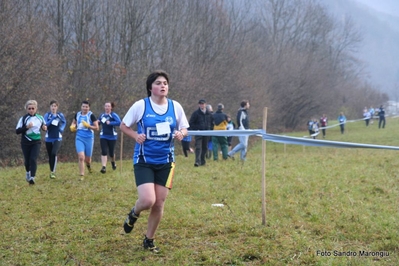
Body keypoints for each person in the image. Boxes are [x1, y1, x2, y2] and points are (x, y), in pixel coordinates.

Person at [120, 70, 189, 252]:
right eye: (158, 83)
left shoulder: (175, 107)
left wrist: (181, 134)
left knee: (159, 203)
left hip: (166, 161)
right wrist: (135, 135)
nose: (162, 86)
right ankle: (134, 213)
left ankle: (149, 239)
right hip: (144, 160)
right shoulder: (141, 106)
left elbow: (184, 128)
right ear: (150, 87)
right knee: (147, 200)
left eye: (165, 83)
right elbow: (124, 125)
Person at [16, 100, 47, 185]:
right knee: (27, 161)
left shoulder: (40, 117)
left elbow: (44, 126)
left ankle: (32, 177)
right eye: (29, 108)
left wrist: (44, 128)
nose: (31, 110)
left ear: (36, 109)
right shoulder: (23, 119)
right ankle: (28, 172)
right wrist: (26, 127)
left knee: (33, 159)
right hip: (25, 142)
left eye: (33, 108)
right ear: (26, 109)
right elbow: (17, 131)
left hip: (36, 142)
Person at [70, 100, 99, 178]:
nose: (85, 108)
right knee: (81, 157)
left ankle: (89, 166)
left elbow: (97, 128)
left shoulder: (91, 115)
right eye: (83, 106)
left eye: (86, 107)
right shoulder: (77, 114)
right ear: (81, 107)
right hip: (79, 138)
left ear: (89, 108)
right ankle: (82, 174)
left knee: (87, 159)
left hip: (89, 139)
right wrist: (72, 126)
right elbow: (74, 122)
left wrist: (89, 126)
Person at [43, 100, 66, 179]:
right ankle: (51, 171)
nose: (53, 107)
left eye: (55, 106)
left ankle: (53, 171)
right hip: (48, 137)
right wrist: (52, 118)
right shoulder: (47, 115)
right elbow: (45, 124)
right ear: (50, 107)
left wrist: (62, 128)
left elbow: (64, 122)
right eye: (52, 106)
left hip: (57, 137)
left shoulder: (60, 115)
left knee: (53, 153)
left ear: (57, 107)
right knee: (50, 155)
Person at [98, 102, 121, 173]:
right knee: (104, 151)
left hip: (112, 136)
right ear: (104, 107)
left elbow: (119, 122)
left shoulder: (113, 115)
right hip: (103, 135)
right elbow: (98, 122)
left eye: (108, 106)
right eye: (106, 106)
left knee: (111, 153)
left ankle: (113, 162)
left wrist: (110, 123)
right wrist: (97, 122)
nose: (107, 107)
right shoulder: (101, 115)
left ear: (111, 107)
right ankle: (104, 167)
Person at [189, 99, 213, 166]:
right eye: (200, 104)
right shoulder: (196, 113)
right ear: (199, 105)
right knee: (198, 147)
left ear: (205, 104)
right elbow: (191, 123)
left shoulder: (209, 114)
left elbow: (212, 123)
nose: (202, 105)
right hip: (198, 133)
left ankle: (202, 161)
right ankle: (197, 162)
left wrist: (210, 130)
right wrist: (197, 129)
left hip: (207, 133)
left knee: (205, 147)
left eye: (203, 104)